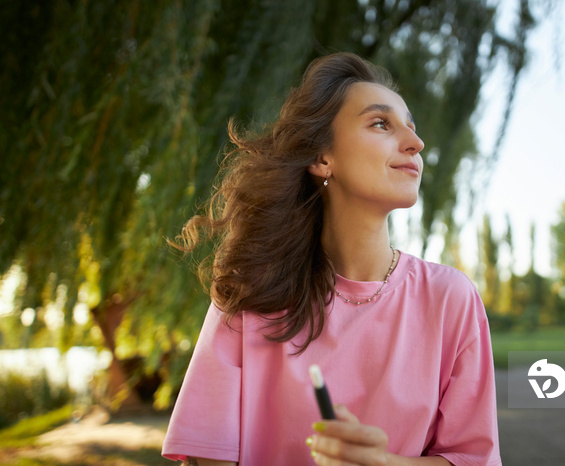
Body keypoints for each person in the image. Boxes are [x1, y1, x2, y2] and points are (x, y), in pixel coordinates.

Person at [162, 52, 501, 466]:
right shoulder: (249, 291)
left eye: (411, 127)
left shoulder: (451, 298)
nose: (416, 143)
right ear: (322, 158)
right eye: (381, 123)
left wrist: (385, 464)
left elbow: (472, 460)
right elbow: (206, 456)